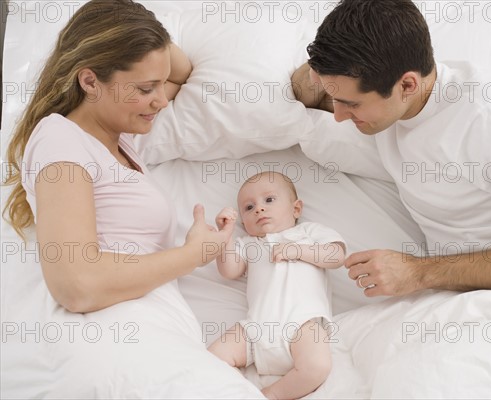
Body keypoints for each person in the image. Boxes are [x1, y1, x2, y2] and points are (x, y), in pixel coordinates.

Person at [291, 0, 491, 298]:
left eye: (351, 103)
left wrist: (418, 272)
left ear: (408, 85)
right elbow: (304, 88)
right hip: (457, 294)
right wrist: (326, 68)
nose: (338, 115)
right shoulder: (386, 101)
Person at [2, 0, 232, 313]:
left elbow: (181, 73)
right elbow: (77, 285)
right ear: (89, 82)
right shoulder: (60, 141)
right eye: (147, 88)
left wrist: (144, 25)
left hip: (151, 325)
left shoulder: (116, 135)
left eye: (159, 84)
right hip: (116, 332)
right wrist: (195, 254)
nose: (163, 101)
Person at [208, 171, 346, 400]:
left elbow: (336, 256)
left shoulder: (308, 232)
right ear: (244, 222)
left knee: (317, 367)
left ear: (296, 209)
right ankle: (239, 392)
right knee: (212, 358)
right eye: (249, 207)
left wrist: (299, 250)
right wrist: (226, 236)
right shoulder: (248, 244)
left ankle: (271, 395)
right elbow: (229, 270)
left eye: (269, 200)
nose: (259, 209)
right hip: (256, 328)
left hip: (303, 323)